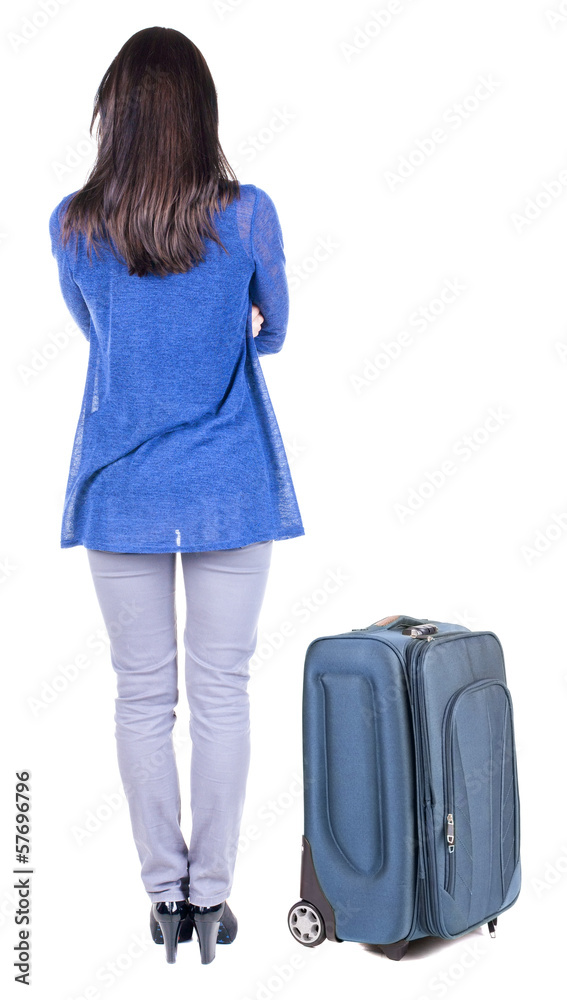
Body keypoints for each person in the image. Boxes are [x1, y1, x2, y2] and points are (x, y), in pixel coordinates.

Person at [48, 25, 305, 966]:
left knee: (141, 695)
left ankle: (164, 900)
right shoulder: (247, 215)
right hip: (229, 486)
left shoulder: (73, 227)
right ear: (201, 113)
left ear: (112, 116)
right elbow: (274, 329)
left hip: (122, 492)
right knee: (221, 692)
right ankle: (214, 902)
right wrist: (225, 331)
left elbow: (97, 333)